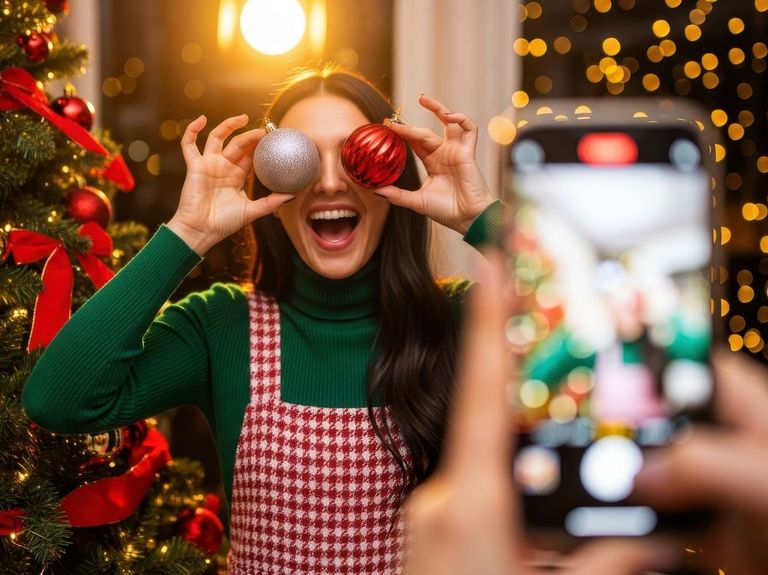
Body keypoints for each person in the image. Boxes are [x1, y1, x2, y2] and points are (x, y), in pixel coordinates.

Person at [22, 64, 501, 573]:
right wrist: (189, 232)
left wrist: (481, 219)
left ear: (391, 173)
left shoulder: (460, 321)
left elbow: (592, 358)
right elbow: (58, 400)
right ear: (274, 187)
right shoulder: (222, 325)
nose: (331, 181)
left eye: (355, 154)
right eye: (303, 159)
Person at [403, 249, 768, 575]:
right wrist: (576, 333)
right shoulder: (591, 345)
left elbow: (703, 351)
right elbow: (539, 373)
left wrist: (663, 319)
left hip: (663, 460)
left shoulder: (669, 340)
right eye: (614, 295)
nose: (622, 303)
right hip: (603, 454)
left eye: (630, 294)